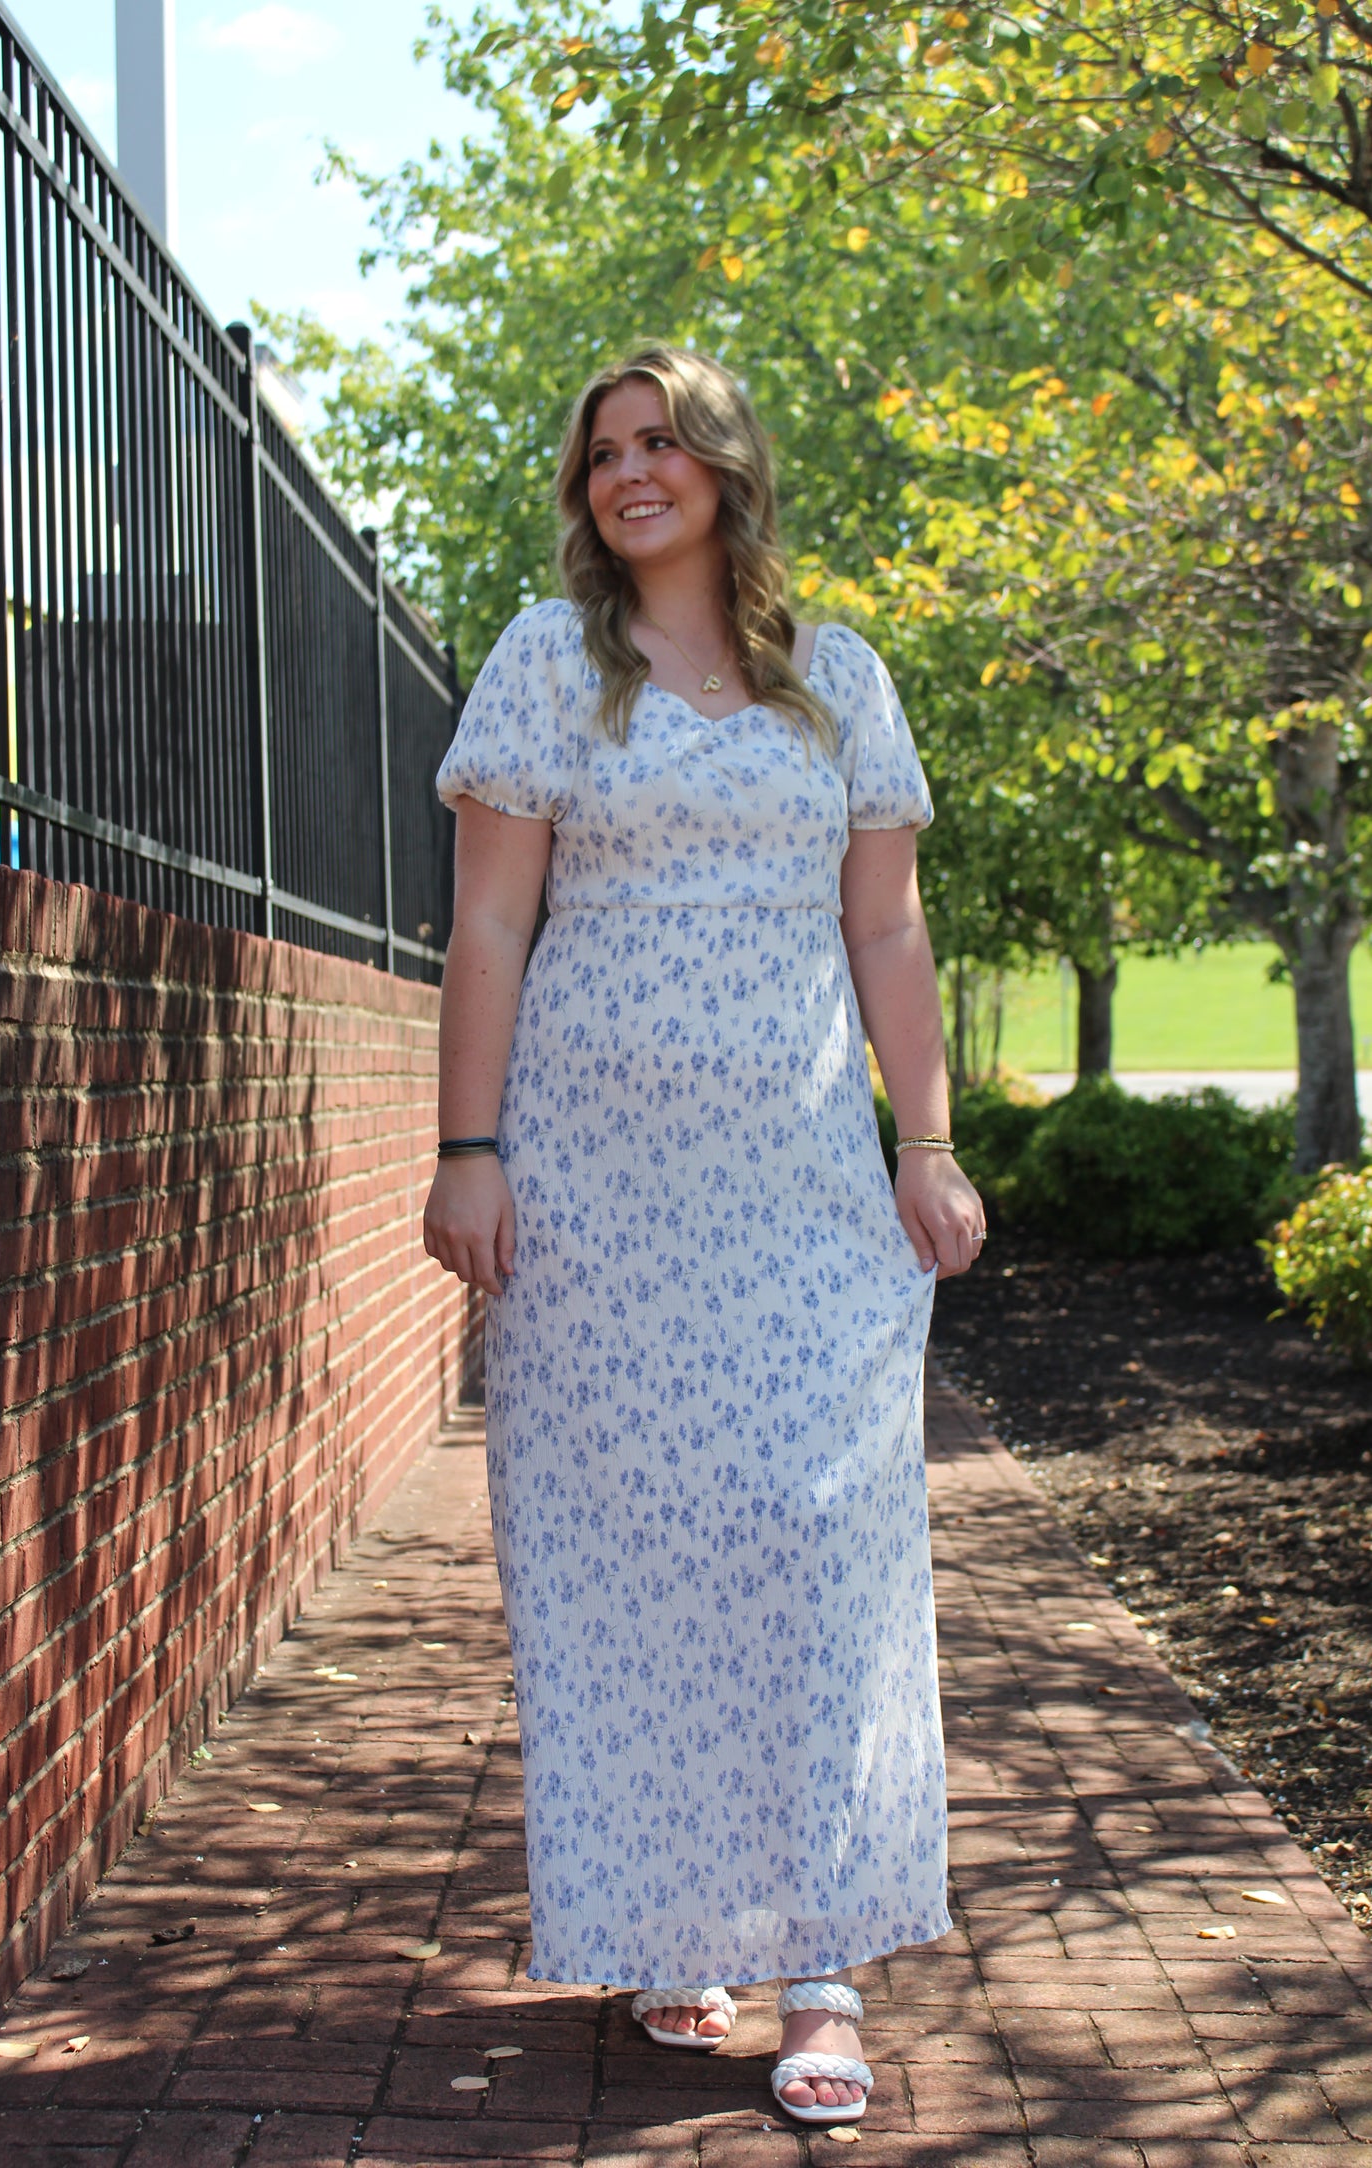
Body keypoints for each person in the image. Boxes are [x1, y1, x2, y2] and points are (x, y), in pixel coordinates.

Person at [422, 344, 985, 2127]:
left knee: (817, 1545)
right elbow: (492, 933)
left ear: (728, 466)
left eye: (662, 443)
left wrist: (929, 1144)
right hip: (592, 1199)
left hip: (803, 1193)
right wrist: (469, 1149)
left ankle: (823, 1966)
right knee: (628, 1553)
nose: (630, 475)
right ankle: (677, 1930)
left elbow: (886, 936)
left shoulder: (840, 683)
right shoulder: (544, 664)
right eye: (604, 454)